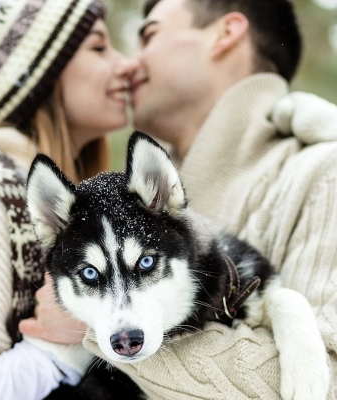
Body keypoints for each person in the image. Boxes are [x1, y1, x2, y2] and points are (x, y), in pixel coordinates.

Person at [78, 0, 337, 398]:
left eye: (148, 35)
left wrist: (97, 335)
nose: (127, 65)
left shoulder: (324, 174)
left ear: (226, 33)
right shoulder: (121, 203)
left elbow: (329, 380)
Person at [0, 0, 137, 398]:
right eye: (98, 48)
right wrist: (56, 348)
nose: (127, 65)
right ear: (38, 74)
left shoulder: (61, 200)